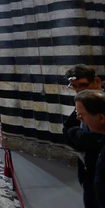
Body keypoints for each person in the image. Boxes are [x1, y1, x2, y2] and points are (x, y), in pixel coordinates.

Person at [63, 65, 104, 207]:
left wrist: (90, 139)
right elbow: (67, 131)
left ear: (97, 81)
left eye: (83, 85)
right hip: (88, 172)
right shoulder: (82, 103)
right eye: (74, 86)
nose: (79, 90)